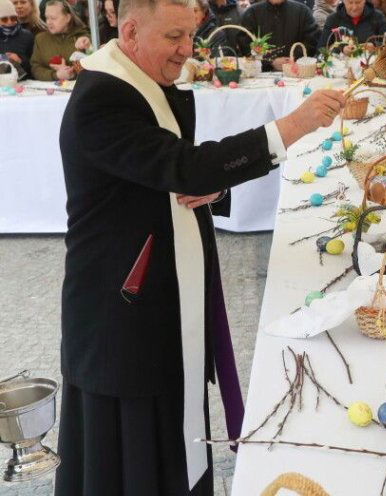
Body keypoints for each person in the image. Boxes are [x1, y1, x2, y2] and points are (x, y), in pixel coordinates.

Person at [56, 0, 344, 492]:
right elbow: (183, 168)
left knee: (173, 416)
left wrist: (212, 184)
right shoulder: (103, 98)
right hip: (122, 306)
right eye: (174, 37)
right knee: (133, 446)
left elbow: (172, 169)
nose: (187, 51)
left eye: (190, 35)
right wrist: (292, 126)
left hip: (153, 293)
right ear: (129, 32)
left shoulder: (140, 79)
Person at [240, 0, 319, 70]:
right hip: (260, 74)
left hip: (296, 72)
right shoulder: (252, 13)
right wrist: (269, 61)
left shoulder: (302, 11)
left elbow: (312, 42)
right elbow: (245, 48)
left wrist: (292, 59)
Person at [31, 0, 89, 81]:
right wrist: (56, 75)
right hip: (51, 90)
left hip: (78, 88)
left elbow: (93, 66)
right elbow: (35, 68)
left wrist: (73, 73)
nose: (48, 22)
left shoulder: (83, 37)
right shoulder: (40, 39)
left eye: (53, 18)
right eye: (47, 18)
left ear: (68, 18)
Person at [317, 0, 386, 47]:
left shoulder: (377, 17)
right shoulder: (333, 19)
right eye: (350, 2)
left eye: (358, 2)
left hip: (372, 67)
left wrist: (374, 46)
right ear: (343, 1)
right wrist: (341, 50)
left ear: (364, 1)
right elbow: (321, 50)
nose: (354, 7)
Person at [1, 0, 33, 78]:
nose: (9, 22)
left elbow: (34, 65)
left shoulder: (27, 36)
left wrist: (20, 61)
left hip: (22, 83)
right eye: (4, 19)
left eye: (13, 18)